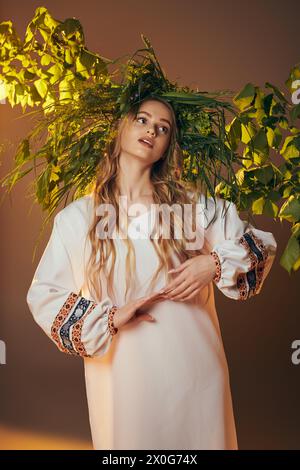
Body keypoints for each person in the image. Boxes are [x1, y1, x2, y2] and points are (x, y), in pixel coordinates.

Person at [26, 96, 277, 450]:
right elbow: (45, 295)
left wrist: (213, 263)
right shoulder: (79, 219)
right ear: (120, 128)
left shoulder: (191, 206)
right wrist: (110, 317)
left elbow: (260, 248)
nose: (151, 131)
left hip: (195, 371)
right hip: (126, 375)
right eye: (142, 120)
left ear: (166, 148)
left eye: (163, 128)